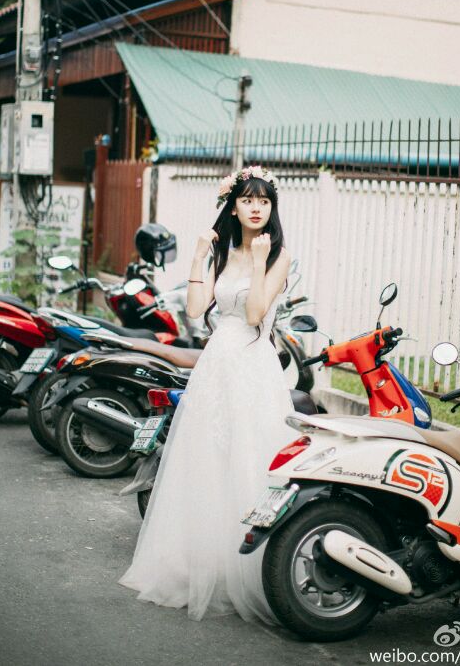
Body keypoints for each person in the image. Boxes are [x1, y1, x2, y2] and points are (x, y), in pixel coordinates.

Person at [119, 165, 295, 622]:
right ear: (232, 208)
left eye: (263, 201)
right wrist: (198, 258)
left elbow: (255, 316)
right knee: (207, 460)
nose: (256, 208)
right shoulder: (222, 252)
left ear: (271, 208)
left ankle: (251, 570)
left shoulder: (278, 256)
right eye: (247, 200)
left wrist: (258, 264)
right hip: (217, 363)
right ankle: (201, 564)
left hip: (253, 366)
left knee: (250, 457)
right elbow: (197, 310)